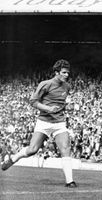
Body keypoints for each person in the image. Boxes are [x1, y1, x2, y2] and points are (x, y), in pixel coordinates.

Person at [1, 59, 77, 188]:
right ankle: (13, 159)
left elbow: (62, 103)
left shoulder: (67, 86)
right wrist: (48, 109)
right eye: (64, 72)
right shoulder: (45, 84)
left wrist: (66, 108)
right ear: (56, 72)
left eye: (67, 73)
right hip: (44, 122)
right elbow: (33, 101)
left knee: (65, 149)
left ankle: (70, 181)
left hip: (59, 123)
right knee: (32, 150)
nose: (66, 75)